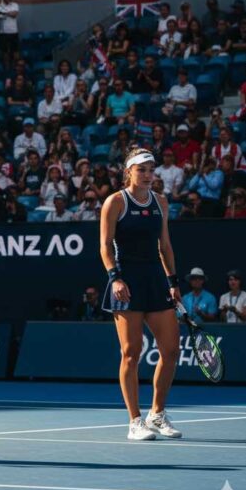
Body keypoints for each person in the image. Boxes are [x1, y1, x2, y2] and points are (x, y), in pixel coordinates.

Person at [99, 147, 183, 441]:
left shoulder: (161, 202)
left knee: (171, 351)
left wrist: (173, 281)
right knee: (131, 353)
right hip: (126, 281)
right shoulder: (115, 202)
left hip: (156, 281)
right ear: (129, 172)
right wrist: (115, 278)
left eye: (151, 170)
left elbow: (165, 245)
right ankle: (135, 421)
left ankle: (156, 414)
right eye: (142, 170)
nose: (148, 175)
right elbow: (105, 245)